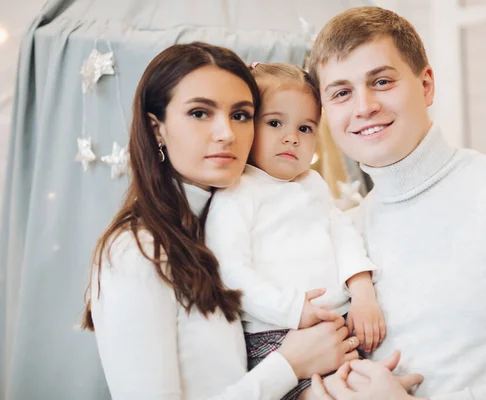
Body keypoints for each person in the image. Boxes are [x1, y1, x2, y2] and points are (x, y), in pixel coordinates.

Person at [306, 6, 486, 400]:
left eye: (381, 81)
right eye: (341, 92)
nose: (363, 106)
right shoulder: (344, 236)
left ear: (426, 84)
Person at [82, 42, 361, 400]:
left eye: (241, 115)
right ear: (157, 129)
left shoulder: (233, 229)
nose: (227, 133)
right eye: (200, 113)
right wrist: (288, 365)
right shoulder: (137, 253)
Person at [204, 62, 385, 399]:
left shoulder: (312, 183)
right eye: (275, 123)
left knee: (375, 381)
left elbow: (342, 234)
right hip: (275, 334)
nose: (292, 137)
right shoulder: (237, 191)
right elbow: (231, 272)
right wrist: (293, 309)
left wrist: (362, 291)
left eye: (305, 128)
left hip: (338, 321)